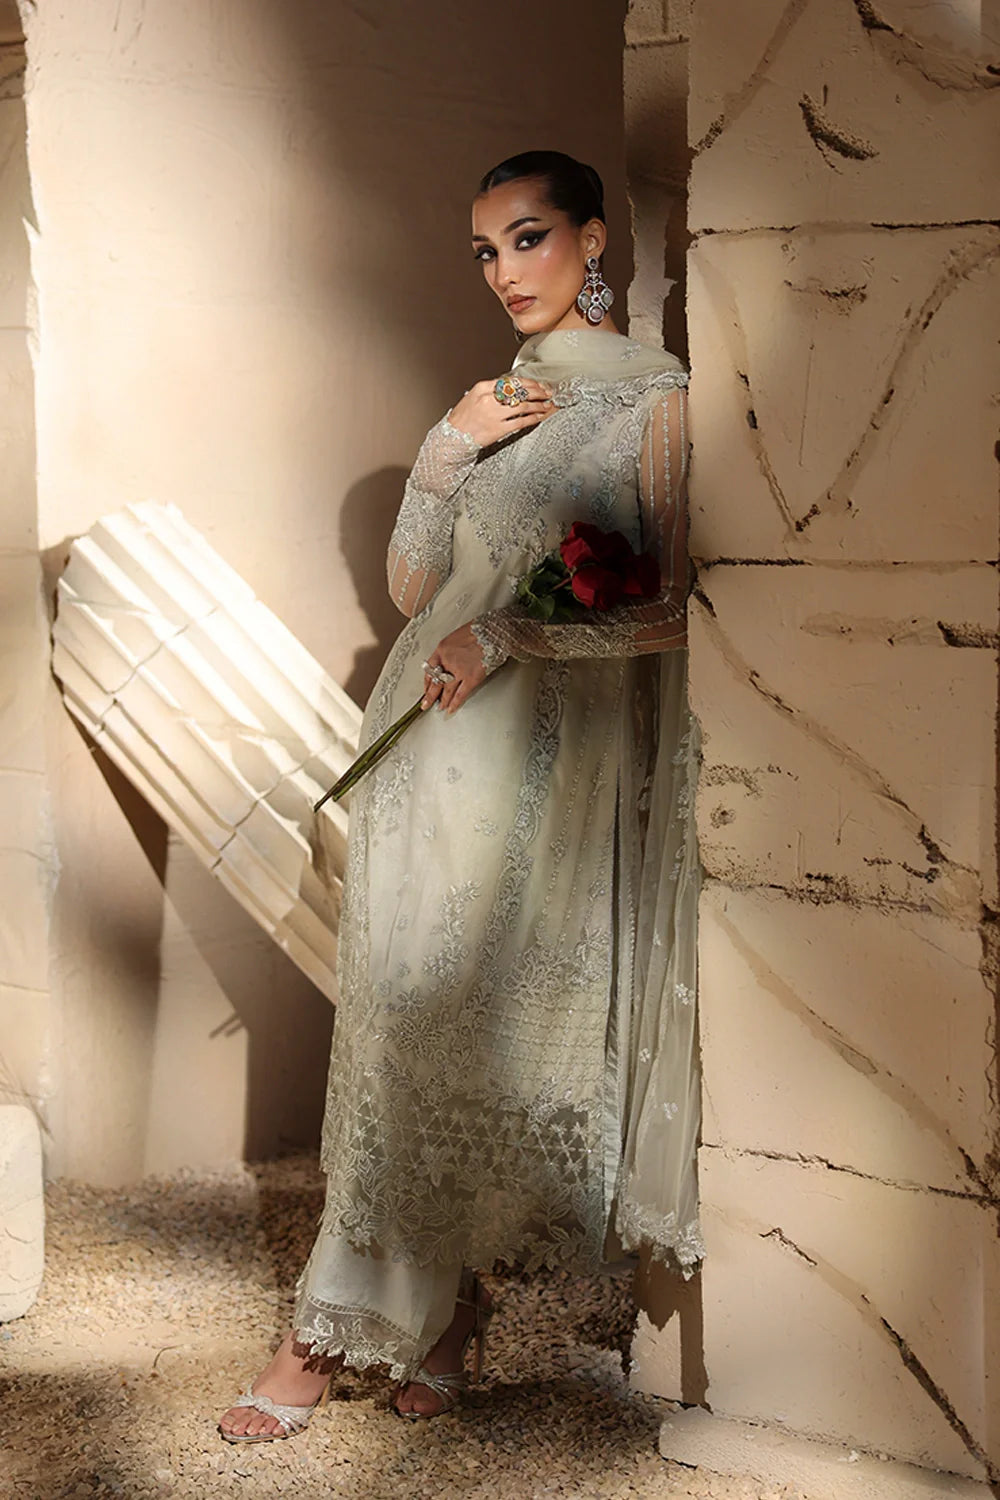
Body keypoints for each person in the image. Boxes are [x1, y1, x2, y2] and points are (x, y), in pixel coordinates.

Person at [218, 149, 703, 1440]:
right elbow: (412, 589)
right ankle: (339, 1328)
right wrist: (448, 446)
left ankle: (435, 1314)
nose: (503, 272)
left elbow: (667, 608)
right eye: (486, 251)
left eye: (528, 238)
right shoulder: (498, 400)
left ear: (592, 240)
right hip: (425, 759)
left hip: (538, 780)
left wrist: (511, 635)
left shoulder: (656, 404)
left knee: (469, 1055)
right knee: (396, 1046)